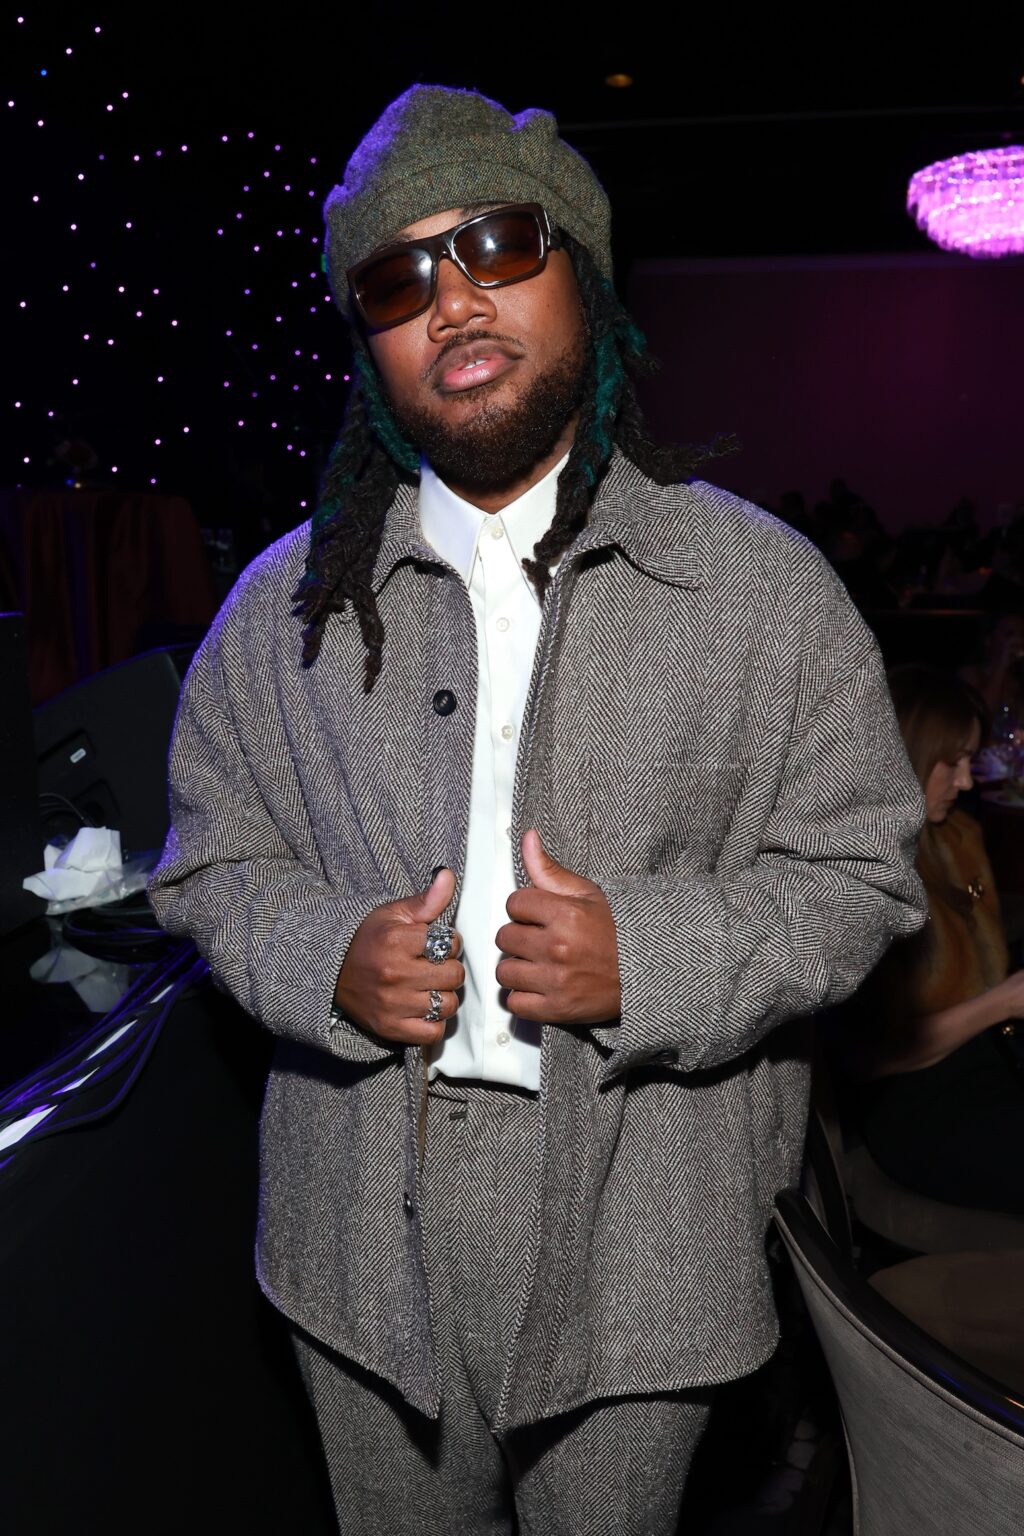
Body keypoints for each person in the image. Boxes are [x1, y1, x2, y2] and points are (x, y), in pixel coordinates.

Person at [147, 84, 927, 1536]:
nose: (452, 301)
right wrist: (326, 954)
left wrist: (654, 956)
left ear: (585, 272)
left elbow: (865, 873)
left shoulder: (760, 594)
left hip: (650, 1233)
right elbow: (206, 864)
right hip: (361, 1243)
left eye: (497, 246)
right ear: (368, 340)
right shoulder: (280, 610)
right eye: (399, 276)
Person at [835, 664, 1024, 1215]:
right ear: (907, 755)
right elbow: (866, 1058)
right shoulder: (865, 868)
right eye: (953, 762)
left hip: (991, 1063)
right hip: (920, 1106)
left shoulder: (956, 836)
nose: (967, 782)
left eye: (970, 760)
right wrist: (1004, 1001)